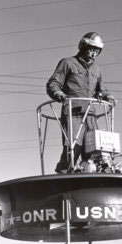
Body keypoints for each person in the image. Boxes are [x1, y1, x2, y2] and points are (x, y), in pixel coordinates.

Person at [46, 32, 115, 173]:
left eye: (97, 51)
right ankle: (64, 170)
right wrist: (58, 93)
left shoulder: (97, 69)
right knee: (73, 146)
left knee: (94, 146)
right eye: (91, 49)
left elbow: (101, 89)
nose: (94, 53)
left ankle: (90, 171)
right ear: (83, 47)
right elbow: (53, 83)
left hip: (90, 114)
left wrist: (108, 96)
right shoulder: (68, 63)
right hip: (73, 111)